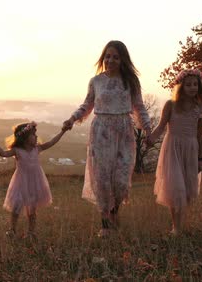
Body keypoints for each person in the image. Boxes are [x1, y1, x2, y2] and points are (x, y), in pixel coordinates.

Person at [63, 40, 151, 238]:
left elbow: (139, 107)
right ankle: (105, 224)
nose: (110, 60)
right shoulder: (96, 81)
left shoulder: (131, 82)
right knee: (102, 179)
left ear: (123, 60)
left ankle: (114, 213)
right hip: (101, 132)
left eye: (115, 57)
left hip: (124, 131)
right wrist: (72, 118)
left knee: (121, 180)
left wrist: (148, 129)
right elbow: (87, 104)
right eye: (107, 56)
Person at [146, 69, 202, 235]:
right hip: (172, 148)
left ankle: (179, 226)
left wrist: (200, 157)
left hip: (191, 149)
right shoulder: (171, 105)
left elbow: (199, 134)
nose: (192, 88)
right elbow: (161, 126)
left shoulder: (200, 108)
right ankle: (176, 227)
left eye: (195, 84)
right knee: (175, 188)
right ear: (181, 86)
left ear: (200, 86)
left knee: (186, 190)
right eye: (188, 84)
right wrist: (151, 138)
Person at [0, 121, 67, 240]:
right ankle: (12, 230)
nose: (36, 137)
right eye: (33, 135)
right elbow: (3, 153)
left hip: (35, 181)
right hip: (20, 182)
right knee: (16, 207)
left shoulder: (37, 149)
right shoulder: (17, 150)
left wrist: (62, 132)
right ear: (25, 138)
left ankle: (31, 233)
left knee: (32, 210)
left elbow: (52, 142)